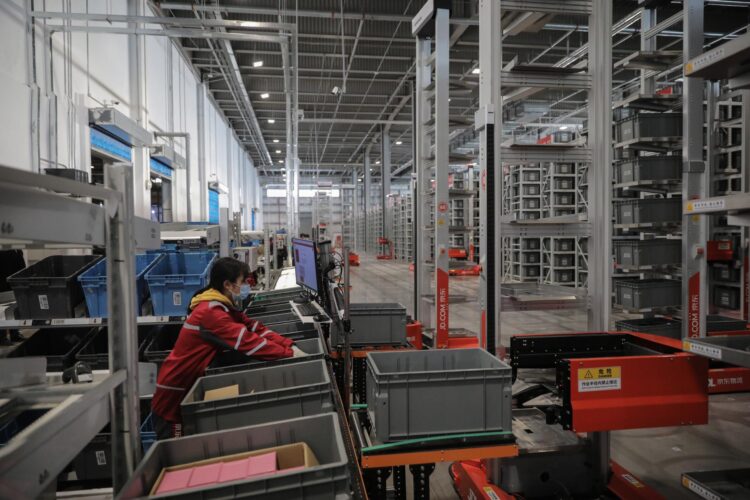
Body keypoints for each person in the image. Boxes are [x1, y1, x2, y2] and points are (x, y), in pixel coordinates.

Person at [151, 257, 302, 439]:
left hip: (188, 389)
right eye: (243, 281)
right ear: (228, 285)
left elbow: (255, 328)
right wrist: (290, 354)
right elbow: (248, 342)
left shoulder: (222, 306)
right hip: (173, 396)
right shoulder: (211, 312)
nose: (247, 285)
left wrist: (289, 344)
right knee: (176, 454)